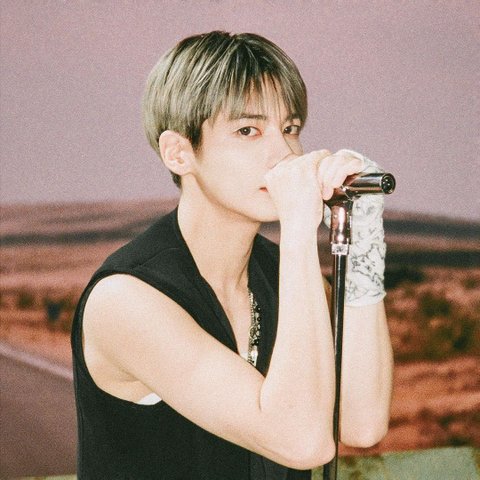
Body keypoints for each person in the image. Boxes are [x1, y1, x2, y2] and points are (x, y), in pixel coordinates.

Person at [71, 31, 393, 479]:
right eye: (247, 131)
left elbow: (362, 423)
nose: (284, 153)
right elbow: (302, 442)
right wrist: (299, 230)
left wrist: (363, 242)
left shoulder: (279, 275)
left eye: (290, 129)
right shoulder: (126, 300)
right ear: (179, 153)